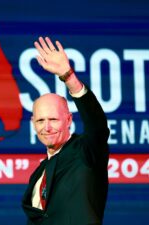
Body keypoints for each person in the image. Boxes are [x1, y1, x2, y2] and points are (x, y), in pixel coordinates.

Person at [22, 37, 110, 225]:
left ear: (69, 119)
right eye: (40, 120)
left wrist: (69, 77)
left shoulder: (86, 152)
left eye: (53, 119)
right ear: (33, 123)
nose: (46, 127)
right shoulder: (38, 174)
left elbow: (98, 126)